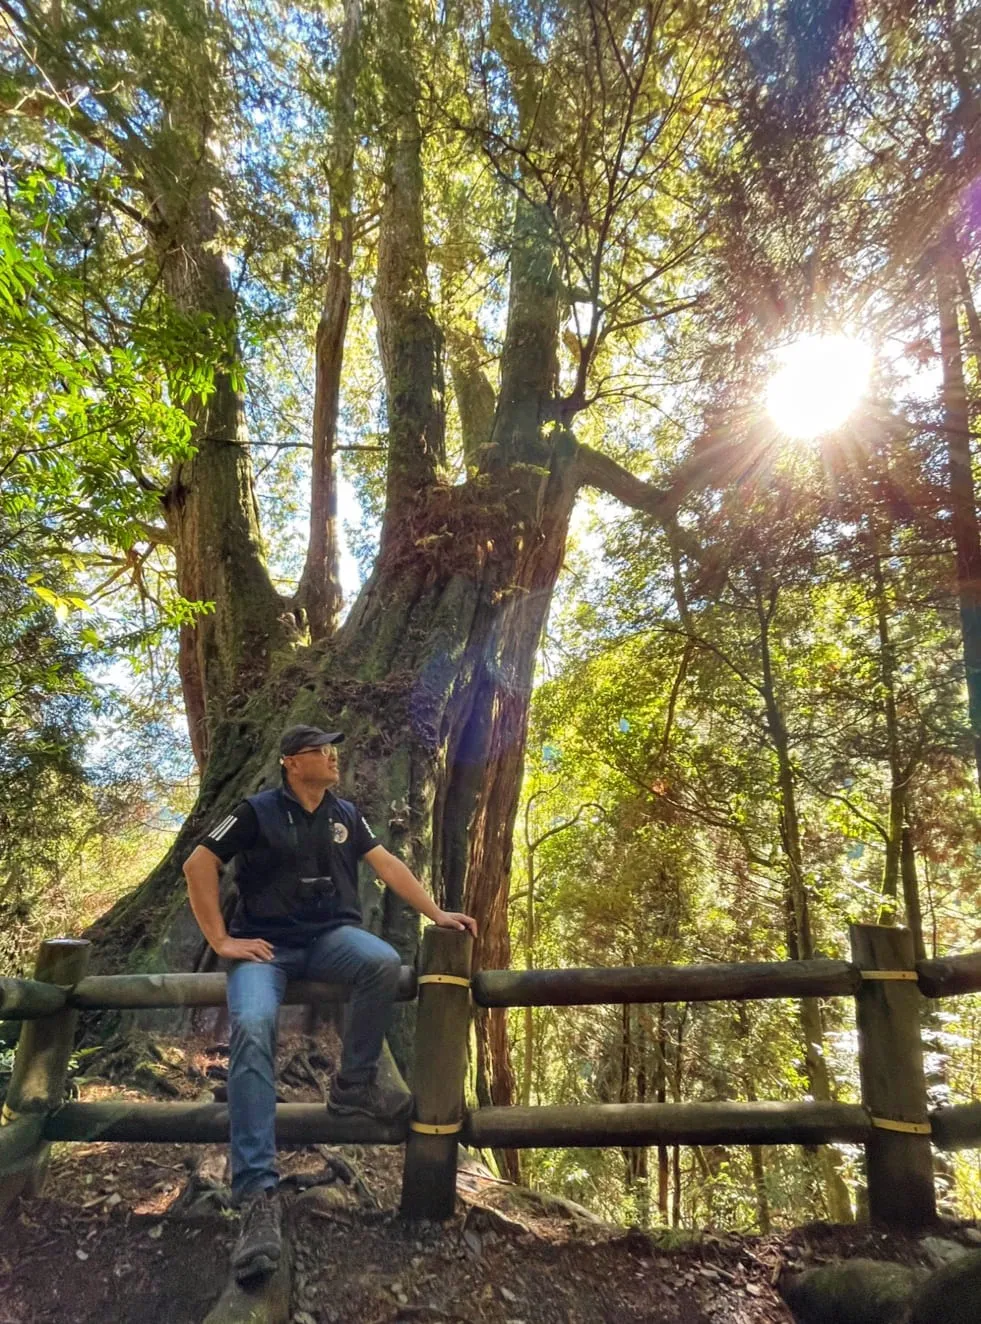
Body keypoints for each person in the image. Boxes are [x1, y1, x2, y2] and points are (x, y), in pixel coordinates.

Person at [183, 723, 477, 1282]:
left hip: (328, 939)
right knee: (252, 1026)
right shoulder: (254, 810)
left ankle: (354, 1086)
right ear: (292, 761)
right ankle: (257, 1195)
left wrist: (436, 914)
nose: (333, 757)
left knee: (382, 962)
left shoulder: (345, 813)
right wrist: (222, 940)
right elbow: (199, 863)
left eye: (334, 749)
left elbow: (386, 864)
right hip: (264, 948)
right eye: (322, 750)